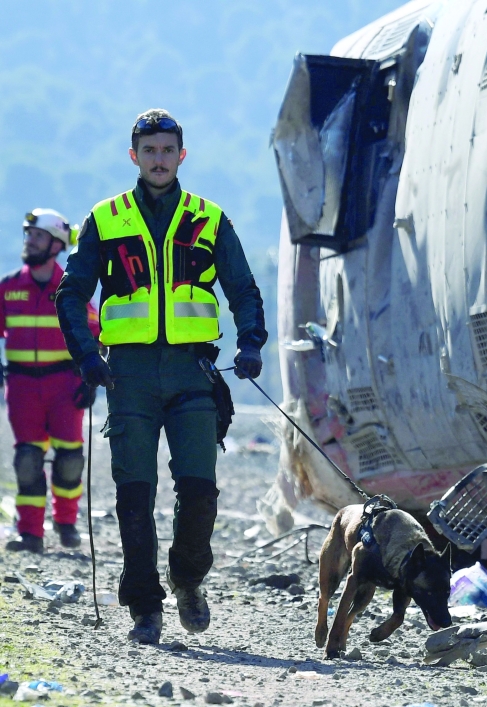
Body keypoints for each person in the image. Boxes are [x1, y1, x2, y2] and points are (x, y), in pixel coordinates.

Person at [55, 109, 267, 644]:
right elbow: (71, 291)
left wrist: (251, 344)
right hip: (127, 378)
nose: (158, 159)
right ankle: (145, 607)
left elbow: (242, 288)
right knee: (134, 498)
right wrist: (86, 356)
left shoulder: (208, 218)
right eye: (148, 150)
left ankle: (188, 578)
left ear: (181, 155)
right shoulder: (105, 219)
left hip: (193, 372)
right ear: (134, 156)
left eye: (167, 150)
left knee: (200, 493)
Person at [2, 209, 100, 553]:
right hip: (22, 388)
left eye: (38, 236)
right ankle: (30, 533)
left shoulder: (71, 290)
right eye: (28, 235)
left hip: (64, 387)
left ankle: (66, 521)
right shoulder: (9, 287)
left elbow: (95, 335)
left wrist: (90, 381)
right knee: (27, 460)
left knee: (70, 459)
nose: (30, 241)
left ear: (57, 245)